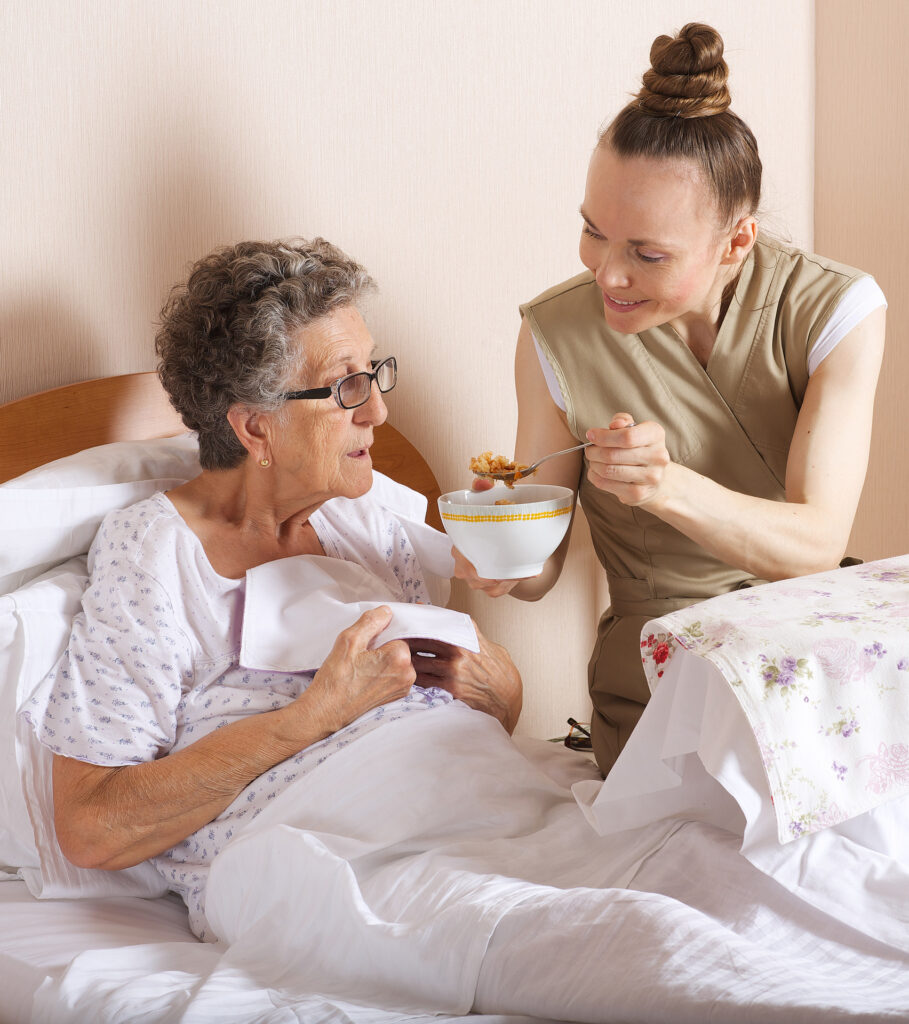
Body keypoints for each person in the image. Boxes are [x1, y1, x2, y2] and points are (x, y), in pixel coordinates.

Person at [25, 237, 521, 938]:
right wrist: (310, 717)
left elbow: (430, 723)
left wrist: (503, 697)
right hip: (330, 875)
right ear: (256, 426)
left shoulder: (371, 522)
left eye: (374, 374)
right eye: (347, 387)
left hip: (472, 821)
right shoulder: (157, 556)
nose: (376, 412)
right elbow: (92, 827)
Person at [454, 23, 887, 775]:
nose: (607, 275)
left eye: (647, 254)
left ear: (735, 242)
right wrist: (503, 554)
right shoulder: (554, 335)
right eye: (593, 234)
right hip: (663, 681)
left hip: (813, 651)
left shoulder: (834, 312)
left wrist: (664, 487)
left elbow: (816, 547)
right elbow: (542, 572)